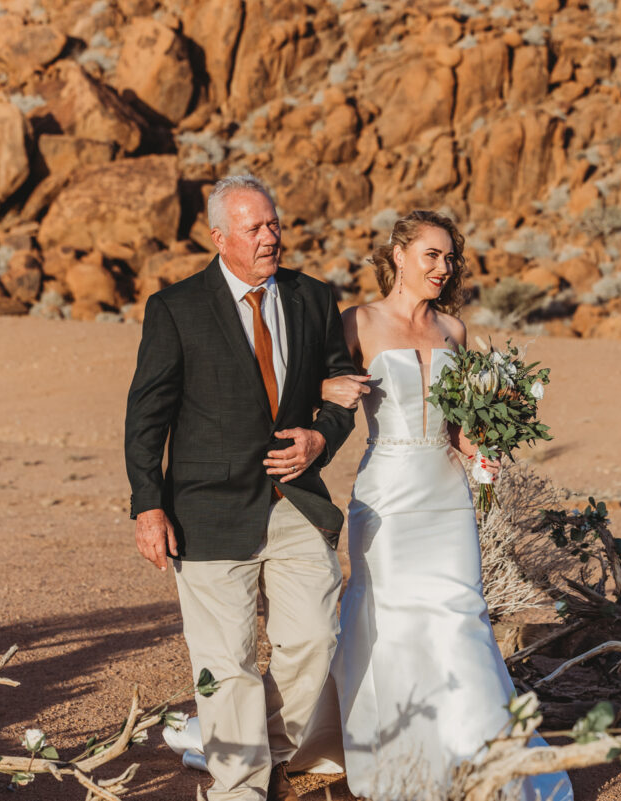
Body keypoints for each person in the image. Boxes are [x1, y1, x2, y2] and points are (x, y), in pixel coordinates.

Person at [320, 210, 574, 801]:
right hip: (386, 494)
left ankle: (482, 763)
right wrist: (325, 389)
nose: (443, 267)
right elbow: (316, 393)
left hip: (447, 496)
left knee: (460, 618)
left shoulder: (455, 331)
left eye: (449, 257)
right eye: (431, 255)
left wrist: (489, 442)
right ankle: (400, 757)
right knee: (391, 620)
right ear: (399, 254)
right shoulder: (357, 323)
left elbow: (461, 430)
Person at [124, 174, 357, 801]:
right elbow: (146, 417)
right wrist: (149, 507)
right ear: (219, 236)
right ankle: (239, 788)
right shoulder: (176, 308)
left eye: (274, 224)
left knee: (312, 643)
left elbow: (341, 387)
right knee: (226, 667)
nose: (269, 237)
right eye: (254, 228)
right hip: (205, 512)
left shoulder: (313, 298)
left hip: (295, 503)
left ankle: (270, 754)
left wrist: (321, 438)